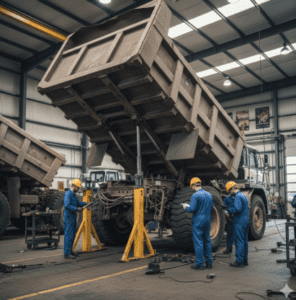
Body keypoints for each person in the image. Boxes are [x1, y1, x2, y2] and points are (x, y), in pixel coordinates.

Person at [183, 177, 213, 270]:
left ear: (193, 185)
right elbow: (211, 208)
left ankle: (199, 263)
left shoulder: (195, 196)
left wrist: (185, 207)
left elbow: (192, 209)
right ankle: (209, 263)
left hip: (198, 220)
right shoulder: (209, 195)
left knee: (198, 242)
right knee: (207, 240)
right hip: (207, 219)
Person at [222, 181, 249, 267]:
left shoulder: (237, 196)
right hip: (245, 220)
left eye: (230, 191)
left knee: (239, 241)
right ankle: (245, 260)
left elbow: (237, 209)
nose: (230, 193)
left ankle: (239, 261)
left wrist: (228, 209)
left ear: (232, 188)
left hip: (239, 221)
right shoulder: (243, 195)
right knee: (244, 241)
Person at [64, 179, 87, 259]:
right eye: (78, 188)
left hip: (73, 218)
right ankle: (66, 253)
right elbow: (67, 205)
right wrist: (76, 209)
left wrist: (85, 203)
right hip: (68, 218)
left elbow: (78, 203)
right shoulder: (68, 194)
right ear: (74, 186)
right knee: (68, 236)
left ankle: (70, 251)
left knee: (72, 235)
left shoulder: (74, 195)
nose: (78, 190)